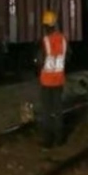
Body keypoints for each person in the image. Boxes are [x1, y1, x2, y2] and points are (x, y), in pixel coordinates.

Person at [37, 9, 68, 147]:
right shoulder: (63, 40)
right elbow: (68, 58)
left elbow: (39, 61)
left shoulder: (45, 41)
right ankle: (59, 138)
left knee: (47, 112)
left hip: (46, 82)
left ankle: (47, 140)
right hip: (59, 80)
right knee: (58, 110)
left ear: (45, 26)